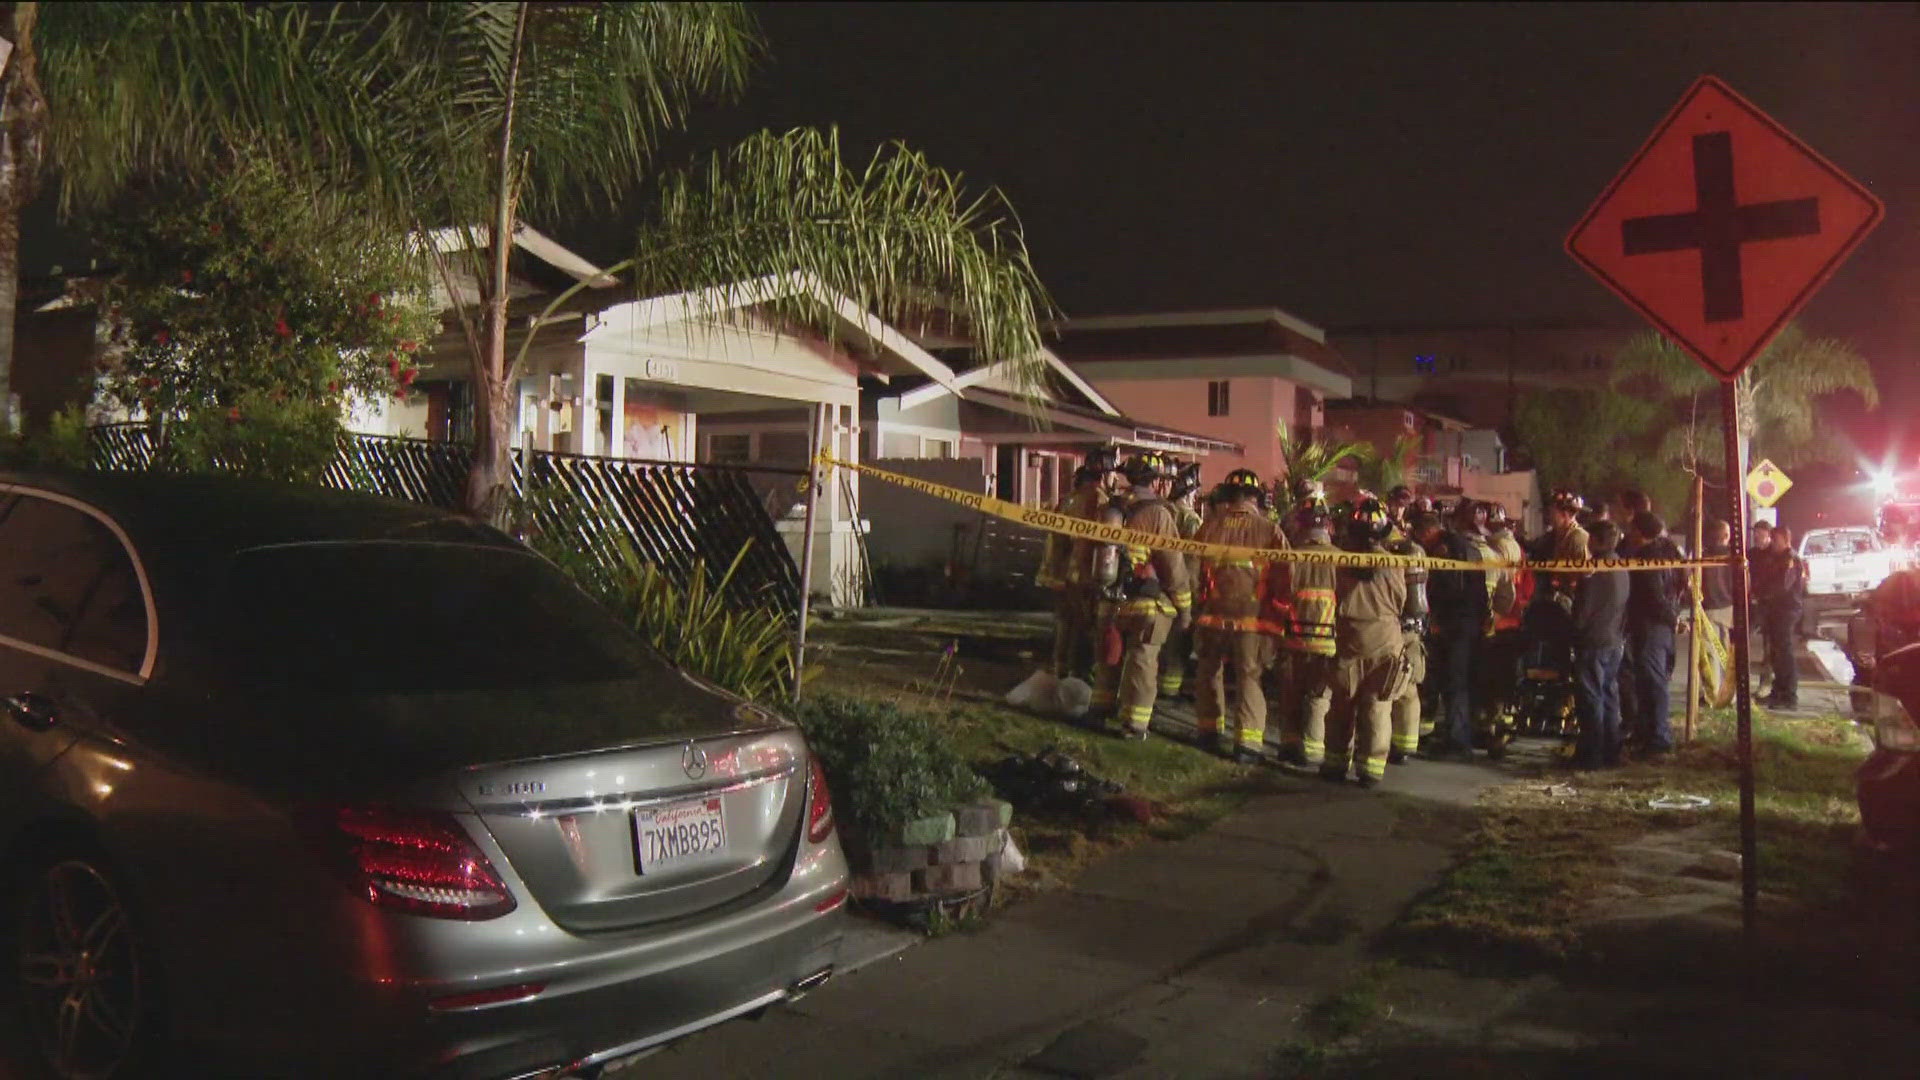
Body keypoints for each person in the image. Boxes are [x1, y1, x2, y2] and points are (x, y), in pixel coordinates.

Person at [1191, 469, 1291, 762]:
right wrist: (1279, 611)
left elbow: (1192, 568)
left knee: (1209, 671)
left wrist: (1197, 605)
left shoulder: (1208, 527)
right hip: (1253, 620)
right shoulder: (1269, 530)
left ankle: (1208, 731)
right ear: (1255, 498)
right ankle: (1247, 745)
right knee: (1249, 677)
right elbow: (1286, 575)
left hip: (1212, 616)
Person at [1094, 453, 1192, 740]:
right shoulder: (1159, 514)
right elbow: (1172, 565)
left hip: (1109, 600)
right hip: (1143, 602)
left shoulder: (1111, 507)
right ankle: (1134, 725)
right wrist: (1184, 608)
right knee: (1142, 660)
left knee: (1108, 658)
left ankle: (1099, 709)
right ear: (1157, 482)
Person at [1324, 495, 1408, 788]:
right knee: (1378, 706)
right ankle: (1371, 769)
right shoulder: (1396, 564)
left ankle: (1335, 763)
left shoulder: (1341, 562)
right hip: (1386, 641)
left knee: (1341, 705)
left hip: (1349, 638)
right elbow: (1405, 602)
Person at [1415, 505, 1490, 762]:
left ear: (1428, 533)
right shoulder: (1464, 546)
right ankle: (1456, 735)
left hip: (1456, 626)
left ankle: (1458, 742)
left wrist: (1438, 620)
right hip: (1469, 624)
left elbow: (1448, 590)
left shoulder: (1444, 550)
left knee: (1455, 683)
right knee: (1459, 682)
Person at [1037, 457, 1113, 681]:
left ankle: (1060, 668)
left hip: (1063, 573)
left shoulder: (1067, 500)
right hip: (1085, 575)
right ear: (1102, 476)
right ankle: (1079, 673)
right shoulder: (1099, 501)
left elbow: (1057, 541)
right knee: (1084, 625)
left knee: (1065, 623)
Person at [1278, 499, 1338, 768]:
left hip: (1293, 637)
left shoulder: (1292, 556)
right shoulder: (1342, 557)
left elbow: (1279, 596)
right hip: (1327, 642)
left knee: (1291, 692)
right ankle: (1313, 751)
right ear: (1328, 526)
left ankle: (1288, 745)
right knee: (1318, 696)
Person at [1625, 511, 1686, 755]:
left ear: (1640, 532)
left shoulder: (1646, 558)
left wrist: (1671, 617)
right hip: (1662, 625)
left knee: (1652, 682)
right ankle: (1646, 732)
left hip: (1651, 625)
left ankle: (1658, 738)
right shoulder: (1672, 551)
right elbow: (1683, 585)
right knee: (1647, 681)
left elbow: (1653, 596)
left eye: (1632, 530)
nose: (1629, 535)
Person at [1571, 521, 1630, 768]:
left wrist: (1574, 630)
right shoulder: (1622, 567)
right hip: (1614, 640)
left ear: (1596, 540)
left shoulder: (1594, 572)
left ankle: (1591, 755)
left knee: (1591, 698)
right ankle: (1611, 751)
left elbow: (1583, 612)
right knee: (1608, 695)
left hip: (1594, 641)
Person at [1387, 512, 1432, 764]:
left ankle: (1388, 744)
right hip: (1414, 628)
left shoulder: (1386, 552)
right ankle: (1405, 744)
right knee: (1409, 685)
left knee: (1385, 686)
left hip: (1393, 626)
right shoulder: (1417, 552)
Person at [1159, 462, 1206, 702]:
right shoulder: (1191, 520)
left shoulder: (1162, 511)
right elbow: (1196, 560)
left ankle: (1159, 682)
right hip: (1184, 586)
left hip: (1158, 584)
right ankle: (1169, 689)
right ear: (1190, 492)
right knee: (1179, 641)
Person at [1752, 525, 1806, 709]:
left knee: (1784, 654)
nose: (1772, 543)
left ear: (1785, 539)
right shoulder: (1777, 558)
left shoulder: (1790, 559)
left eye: (1775, 540)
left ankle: (1789, 697)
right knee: (1776, 654)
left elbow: (1782, 586)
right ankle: (1778, 692)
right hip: (1775, 611)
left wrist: (1762, 593)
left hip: (1786, 610)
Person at [1700, 518, 1734, 633]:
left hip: (1709, 606)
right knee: (1724, 645)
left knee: (1711, 646)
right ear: (1726, 535)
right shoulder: (1735, 557)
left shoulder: (1702, 556)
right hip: (1729, 605)